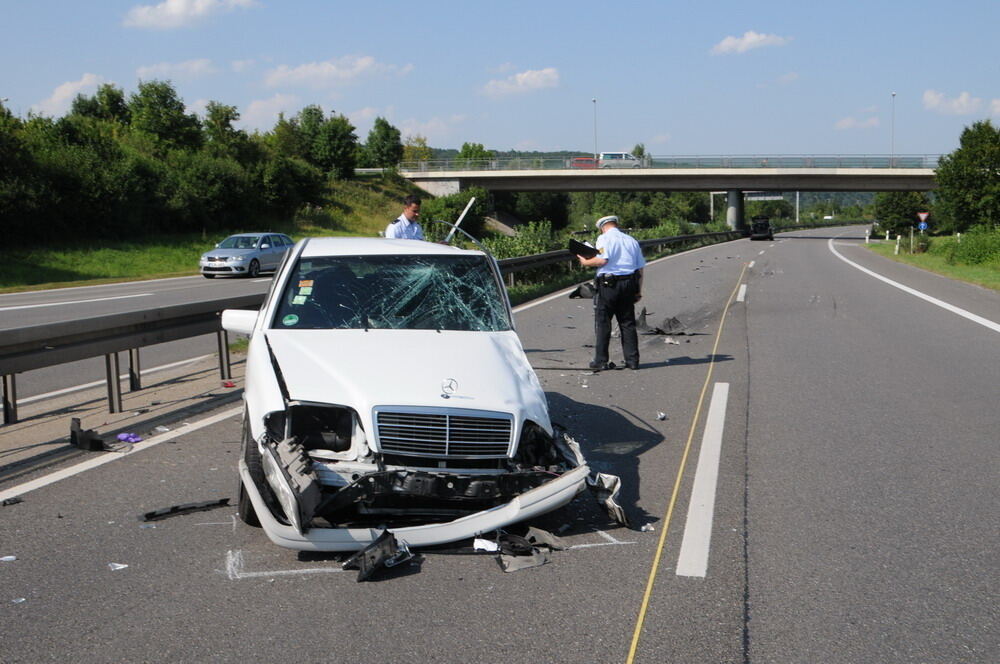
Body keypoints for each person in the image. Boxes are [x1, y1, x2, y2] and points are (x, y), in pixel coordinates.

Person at [576, 215, 645, 370]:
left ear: (602, 227)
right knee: (627, 323)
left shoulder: (604, 238)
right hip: (629, 283)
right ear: (616, 224)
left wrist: (585, 262)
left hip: (609, 285)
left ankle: (600, 361)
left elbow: (602, 260)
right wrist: (638, 291)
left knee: (603, 321)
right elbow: (640, 269)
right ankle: (632, 361)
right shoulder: (631, 241)